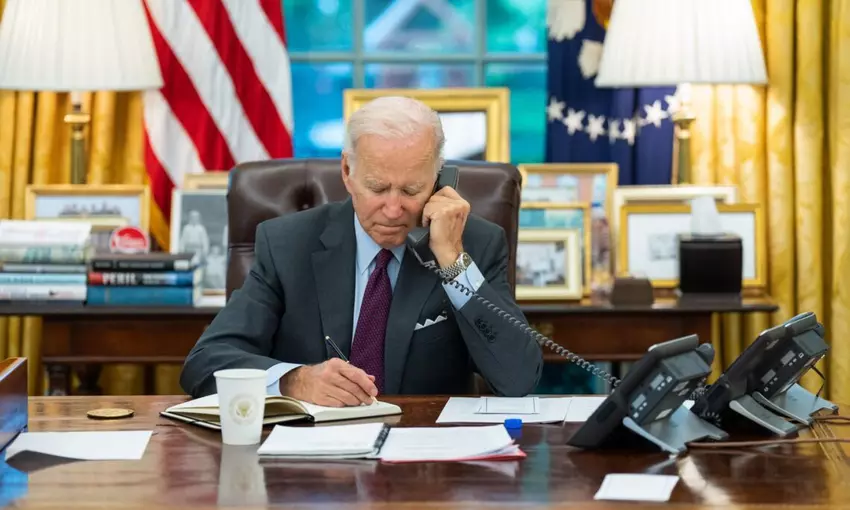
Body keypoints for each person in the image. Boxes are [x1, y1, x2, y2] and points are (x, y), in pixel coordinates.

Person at [179, 96, 543, 406]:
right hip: (313, 453)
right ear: (347, 171)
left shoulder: (474, 244)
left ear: (439, 181)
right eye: (377, 188)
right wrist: (293, 381)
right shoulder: (288, 244)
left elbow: (519, 379)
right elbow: (206, 362)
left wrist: (452, 262)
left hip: (425, 451)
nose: (393, 209)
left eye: (411, 190)